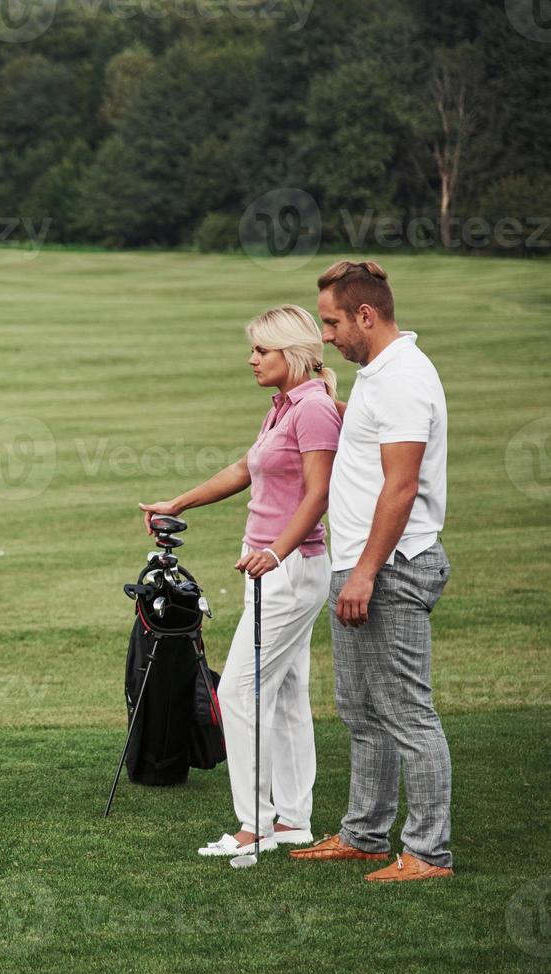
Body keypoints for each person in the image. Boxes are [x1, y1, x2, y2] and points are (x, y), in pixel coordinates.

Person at [140, 305, 341, 859]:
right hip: (279, 566)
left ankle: (256, 826)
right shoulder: (283, 407)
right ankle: (295, 820)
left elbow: (317, 495)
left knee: (240, 690)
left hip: (289, 568)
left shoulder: (314, 410)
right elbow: (245, 469)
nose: (252, 360)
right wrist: (178, 502)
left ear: (293, 354)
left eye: (262, 351)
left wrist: (275, 553)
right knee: (286, 692)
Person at [291, 260, 454, 882]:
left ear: (366, 315)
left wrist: (364, 573)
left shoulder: (404, 378)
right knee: (361, 710)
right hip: (361, 564)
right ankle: (364, 835)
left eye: (332, 323)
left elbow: (402, 486)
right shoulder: (380, 376)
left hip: (390, 567)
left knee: (408, 713)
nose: (327, 336)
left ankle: (429, 853)